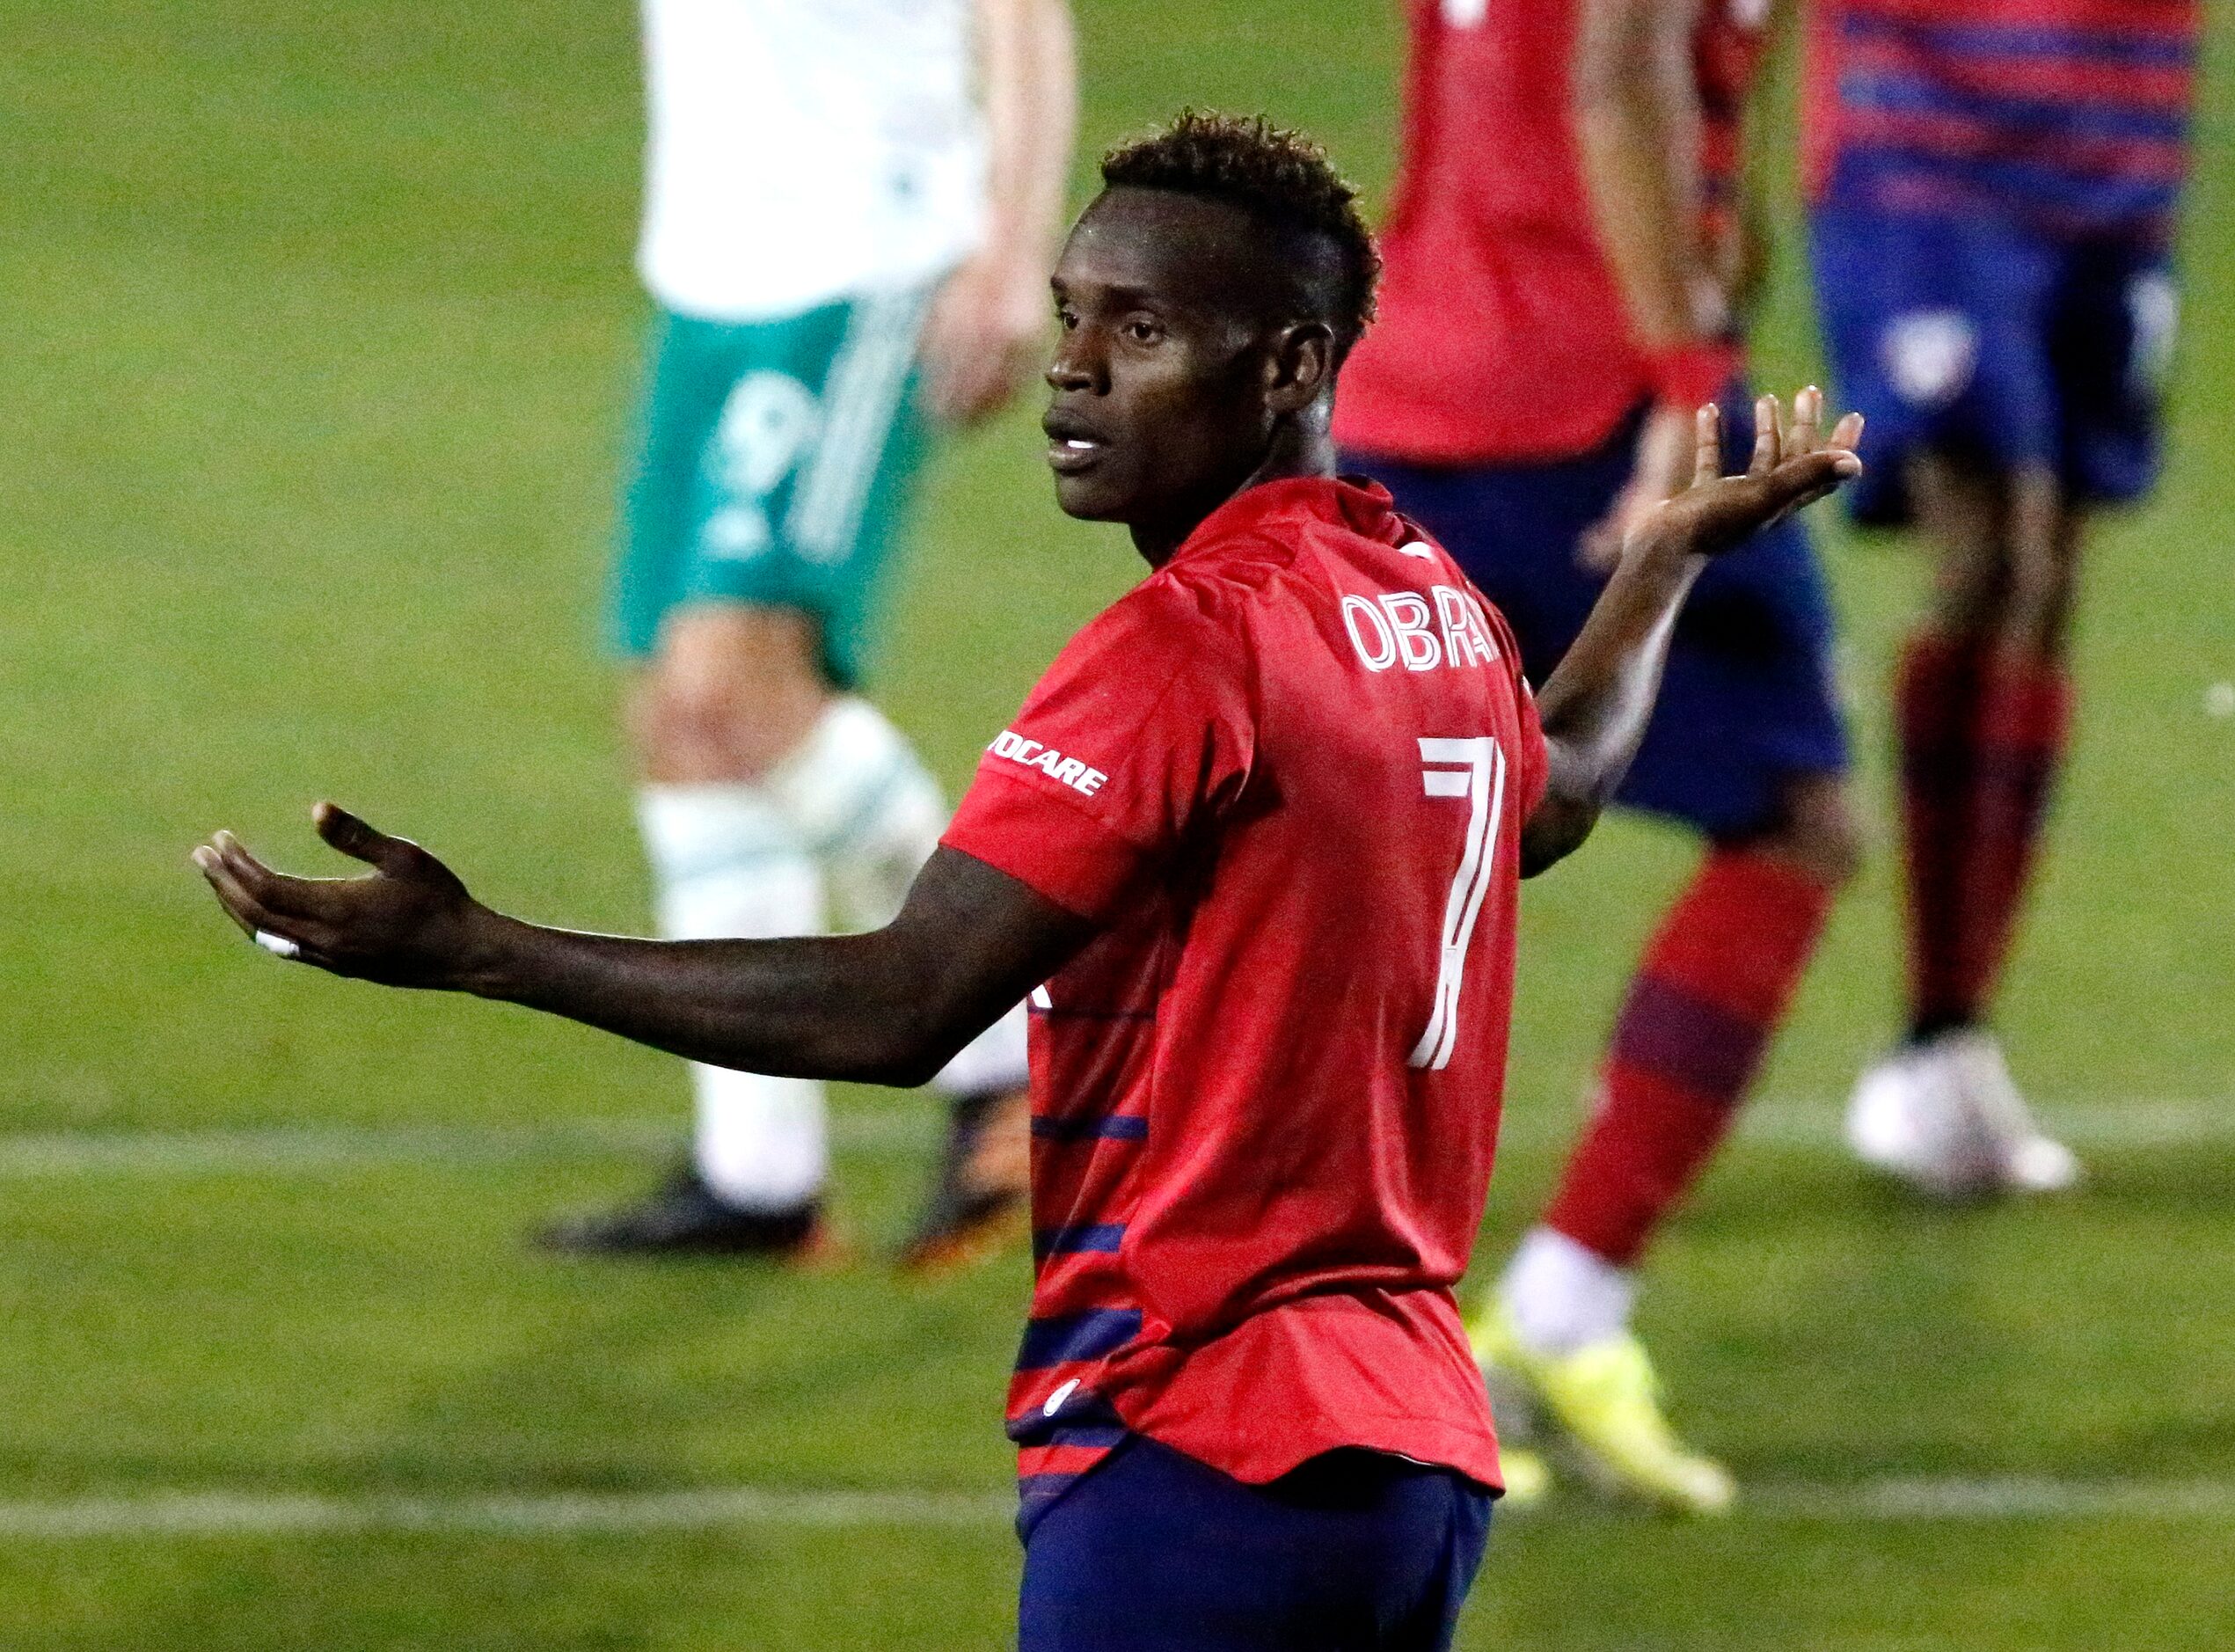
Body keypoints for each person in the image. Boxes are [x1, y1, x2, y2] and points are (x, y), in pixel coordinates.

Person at [194, 113, 1861, 1652]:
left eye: (1137, 330)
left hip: (1201, 1438)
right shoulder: (1413, 590)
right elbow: (1547, 793)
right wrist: (1657, 566)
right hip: (1409, 1460)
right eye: (1071, 313)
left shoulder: (1182, 647)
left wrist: (486, 949)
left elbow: (906, 1002)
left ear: (1285, 361)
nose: (1071, 370)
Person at [1333, 0, 1863, 1512]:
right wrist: (1688, 359)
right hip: (1588, 397)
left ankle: (1310, 1335)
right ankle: (1559, 1313)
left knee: (1351, 862)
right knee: (1792, 822)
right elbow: (1614, 66)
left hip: (1406, 389)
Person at [566, 0, 1077, 1264]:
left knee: (734, 689)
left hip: (863, 249)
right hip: (708, 260)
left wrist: (1011, 252)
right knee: (682, 724)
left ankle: (1017, 1054)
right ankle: (758, 1175)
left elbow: (1022, 19)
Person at [1805, 0, 2201, 1195]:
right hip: (1924, 129)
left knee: (2053, 579)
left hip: (2119, 132)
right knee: (1993, 559)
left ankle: (1950, 1036)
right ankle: (1932, 1038)